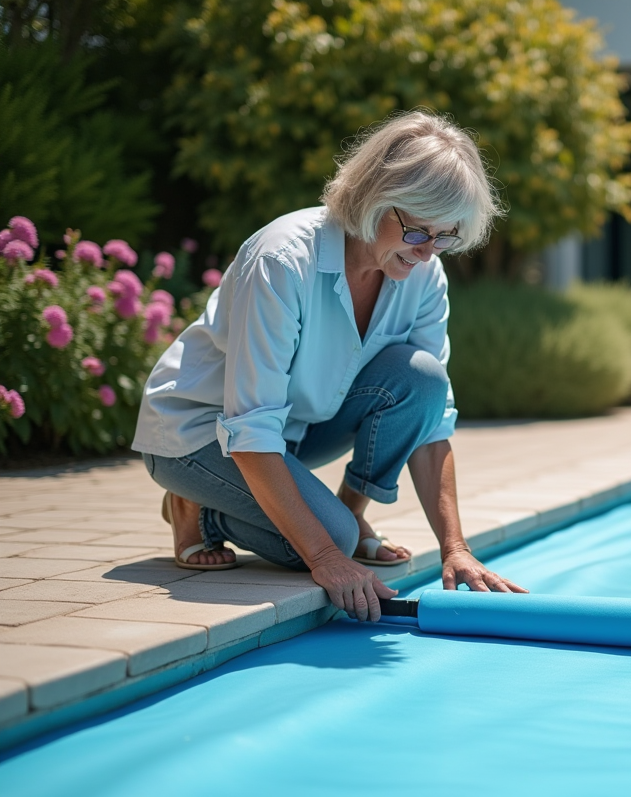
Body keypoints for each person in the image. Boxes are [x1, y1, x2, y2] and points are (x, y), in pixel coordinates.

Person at [133, 110, 527, 623]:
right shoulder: (281, 259)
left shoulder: (423, 275)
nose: (430, 253)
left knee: (422, 378)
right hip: (196, 435)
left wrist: (456, 547)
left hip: (295, 429)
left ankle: (348, 515)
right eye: (417, 232)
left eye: (446, 236)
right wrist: (324, 557)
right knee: (331, 539)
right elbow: (250, 427)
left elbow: (432, 423)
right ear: (374, 199)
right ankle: (198, 507)